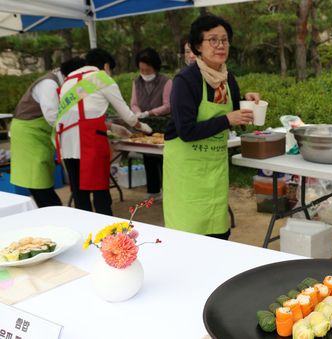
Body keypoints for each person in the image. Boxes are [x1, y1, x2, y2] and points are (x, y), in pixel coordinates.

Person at [164, 15, 259, 239]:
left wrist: (248, 101)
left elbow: (235, 113)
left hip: (215, 170)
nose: (220, 46)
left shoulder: (228, 79)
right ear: (198, 45)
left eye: (224, 40)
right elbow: (186, 131)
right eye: (213, 40)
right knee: (189, 238)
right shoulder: (186, 81)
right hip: (187, 172)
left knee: (219, 233)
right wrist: (228, 120)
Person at [55, 48, 152, 216]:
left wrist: (112, 127)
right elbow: (128, 116)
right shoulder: (102, 78)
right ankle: (106, 233)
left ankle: (85, 233)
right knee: (100, 192)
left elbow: (80, 114)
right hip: (90, 141)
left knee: (79, 194)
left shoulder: (68, 80)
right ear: (106, 66)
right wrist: (144, 127)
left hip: (67, 143)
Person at [10, 57, 85, 207]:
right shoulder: (49, 84)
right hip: (28, 133)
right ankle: (52, 211)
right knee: (37, 177)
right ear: (70, 76)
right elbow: (52, 116)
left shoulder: (60, 82)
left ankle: (51, 209)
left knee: (43, 175)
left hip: (41, 132)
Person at [131, 48, 172, 200]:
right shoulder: (136, 82)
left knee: (163, 158)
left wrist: (151, 112)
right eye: (142, 70)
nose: (145, 73)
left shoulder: (166, 81)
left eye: (147, 70)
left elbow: (168, 105)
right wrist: (137, 113)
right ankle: (153, 190)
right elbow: (134, 103)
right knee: (148, 157)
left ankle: (168, 190)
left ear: (155, 67)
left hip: (163, 124)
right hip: (144, 125)